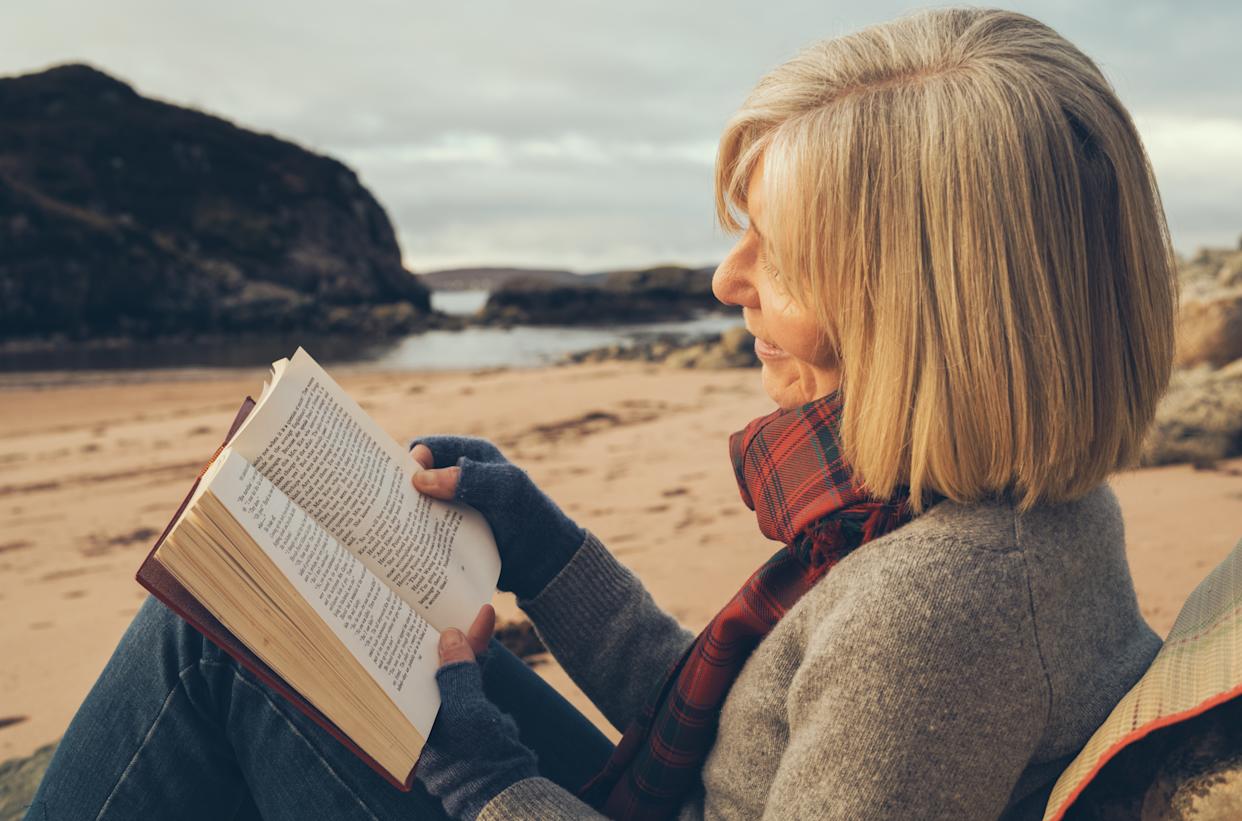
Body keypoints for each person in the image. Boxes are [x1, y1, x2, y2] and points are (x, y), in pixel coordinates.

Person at [25, 6, 1177, 820]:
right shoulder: (986, 518)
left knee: (207, 646)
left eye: (777, 253)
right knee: (248, 631)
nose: (730, 282)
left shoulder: (935, 611)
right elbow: (741, 737)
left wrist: (484, 780)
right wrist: (543, 547)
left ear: (921, 305)